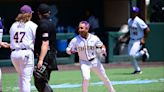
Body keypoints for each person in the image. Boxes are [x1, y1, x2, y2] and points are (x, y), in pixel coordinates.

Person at [66, 21, 115, 92]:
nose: (79, 30)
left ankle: (112, 90)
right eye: (79, 28)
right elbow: (68, 49)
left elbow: (101, 45)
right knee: (86, 78)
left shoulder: (94, 38)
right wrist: (69, 51)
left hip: (95, 61)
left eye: (81, 28)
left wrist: (103, 49)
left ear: (87, 29)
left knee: (104, 77)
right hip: (84, 62)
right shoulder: (75, 40)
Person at [9, 5, 38, 92]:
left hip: (14, 54)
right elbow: (38, 41)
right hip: (26, 53)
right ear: (29, 14)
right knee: (26, 80)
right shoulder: (32, 25)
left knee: (21, 77)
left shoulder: (13, 25)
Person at [34, 3, 58, 92]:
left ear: (39, 13)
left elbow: (45, 42)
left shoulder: (43, 24)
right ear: (48, 13)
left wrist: (41, 60)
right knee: (42, 80)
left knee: (40, 80)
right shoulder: (51, 22)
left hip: (46, 56)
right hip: (49, 55)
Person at [119, 6, 150, 74]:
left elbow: (147, 29)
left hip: (138, 40)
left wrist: (143, 39)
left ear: (137, 13)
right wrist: (124, 37)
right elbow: (130, 31)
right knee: (130, 56)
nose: (133, 13)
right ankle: (137, 70)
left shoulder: (139, 21)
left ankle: (143, 52)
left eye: (134, 12)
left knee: (132, 55)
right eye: (132, 12)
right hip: (131, 39)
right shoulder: (129, 20)